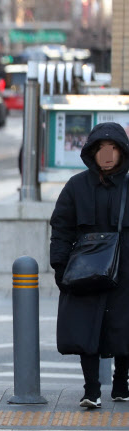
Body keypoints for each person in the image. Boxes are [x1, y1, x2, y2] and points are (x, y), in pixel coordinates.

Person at [50, 122, 129, 408]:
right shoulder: (76, 186)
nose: (107, 155)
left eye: (113, 149)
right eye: (101, 149)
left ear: (122, 153)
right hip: (85, 271)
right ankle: (91, 389)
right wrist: (59, 266)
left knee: (123, 326)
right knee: (87, 329)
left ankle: (121, 381)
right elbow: (61, 227)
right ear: (91, 153)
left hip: (125, 272)